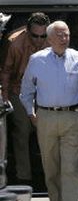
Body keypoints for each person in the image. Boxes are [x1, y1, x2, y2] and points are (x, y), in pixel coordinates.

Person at [20, 20, 78, 201]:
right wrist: (31, 112)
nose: (64, 38)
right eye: (59, 34)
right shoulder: (37, 60)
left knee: (71, 169)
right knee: (51, 169)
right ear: (49, 39)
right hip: (46, 117)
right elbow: (27, 89)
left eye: (66, 34)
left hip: (73, 117)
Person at [0, 12, 50, 184]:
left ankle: (49, 174)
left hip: (43, 90)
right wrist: (5, 98)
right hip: (18, 89)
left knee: (45, 131)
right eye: (35, 36)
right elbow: (5, 72)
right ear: (28, 32)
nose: (39, 40)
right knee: (22, 129)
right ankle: (24, 177)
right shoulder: (14, 43)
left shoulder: (52, 40)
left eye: (43, 36)